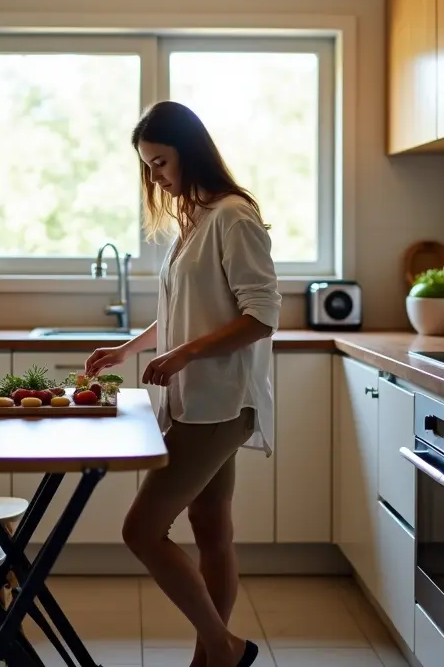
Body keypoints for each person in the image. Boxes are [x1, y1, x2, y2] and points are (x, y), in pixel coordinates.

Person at [85, 100, 280, 667]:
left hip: (218, 403)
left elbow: (260, 316)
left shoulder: (233, 217)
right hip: (197, 401)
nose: (155, 177)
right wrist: (129, 348)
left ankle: (223, 648)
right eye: (148, 166)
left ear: (189, 152)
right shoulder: (194, 219)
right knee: (210, 526)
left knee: (142, 531)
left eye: (161, 162)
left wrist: (182, 355)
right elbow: (184, 311)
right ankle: (211, 656)